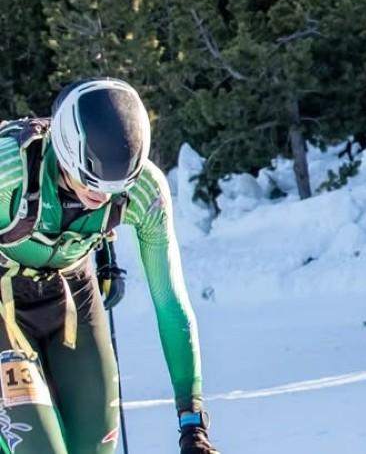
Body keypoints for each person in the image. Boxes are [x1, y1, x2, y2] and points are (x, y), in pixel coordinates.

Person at [0, 78, 219, 454]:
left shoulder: (145, 191)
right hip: (5, 306)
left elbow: (170, 303)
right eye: (90, 186)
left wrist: (192, 420)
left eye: (114, 190)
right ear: (67, 153)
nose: (101, 198)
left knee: (94, 447)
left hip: (72, 299)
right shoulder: (10, 173)